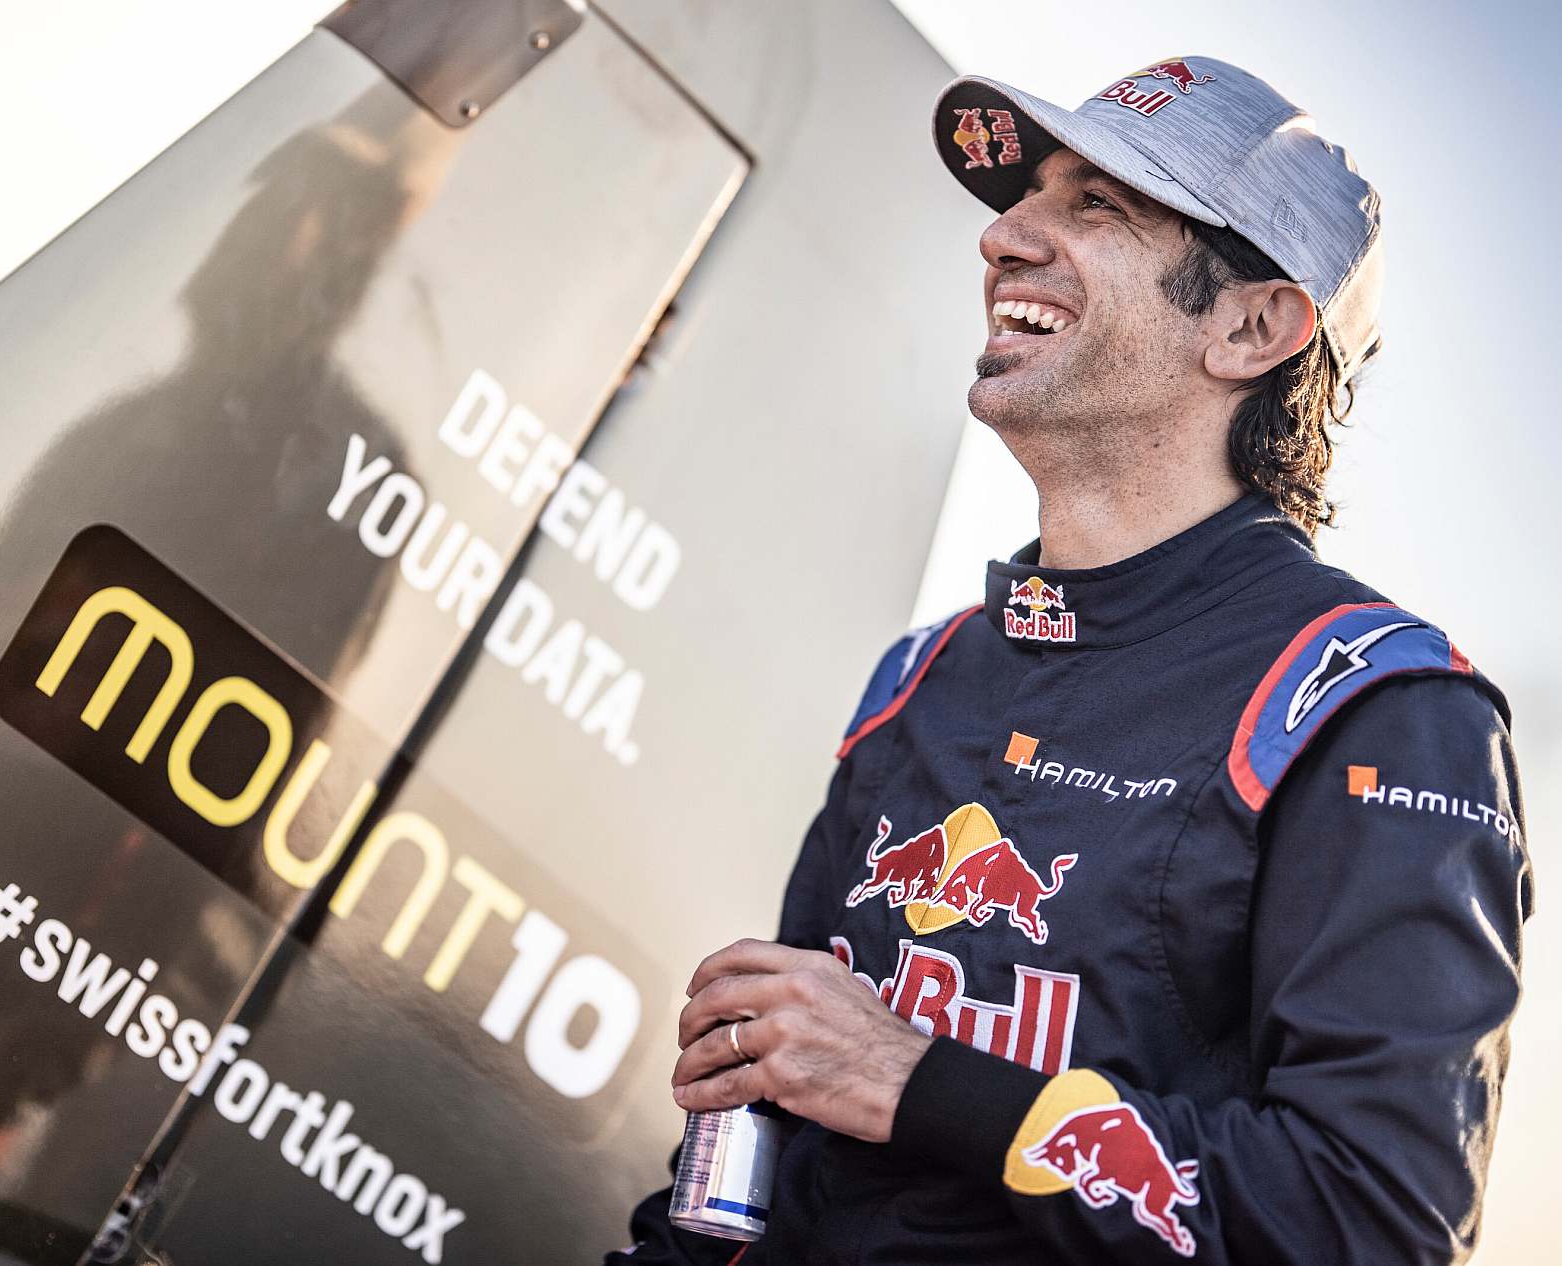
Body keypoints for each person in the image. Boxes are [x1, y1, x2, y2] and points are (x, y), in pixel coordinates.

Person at [608, 55, 1529, 1265]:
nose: (1003, 237)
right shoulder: (924, 674)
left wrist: (919, 1082)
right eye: (1024, 197)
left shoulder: (1375, 709)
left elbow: (1374, 1221)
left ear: (1251, 326)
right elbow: (752, 1149)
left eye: (1096, 203)